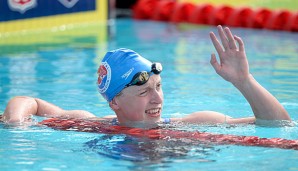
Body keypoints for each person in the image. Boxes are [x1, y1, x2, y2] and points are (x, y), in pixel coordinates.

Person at [1, 26, 291, 128]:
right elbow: (30, 102)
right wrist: (16, 122)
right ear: (114, 102)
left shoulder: (191, 125)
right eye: (144, 92)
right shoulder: (88, 124)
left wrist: (245, 81)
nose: (158, 99)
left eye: (159, 87)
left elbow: (278, 123)